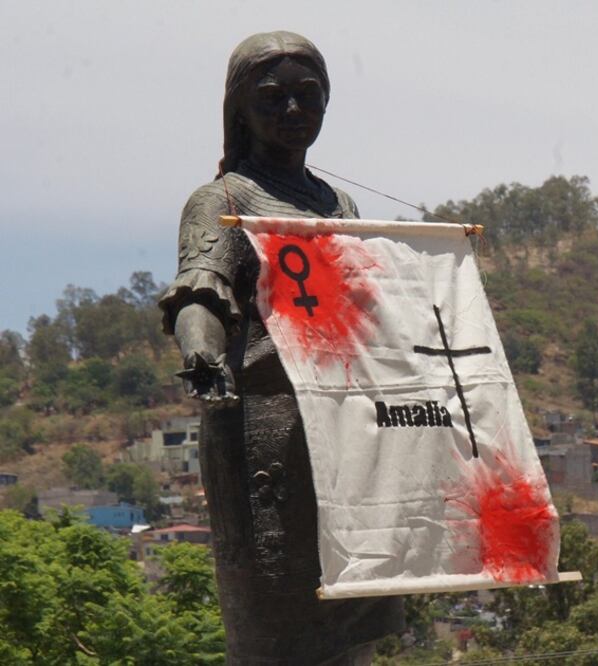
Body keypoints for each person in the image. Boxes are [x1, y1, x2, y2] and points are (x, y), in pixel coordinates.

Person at [159, 32, 403, 664]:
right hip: (267, 430)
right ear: (240, 107)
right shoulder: (223, 201)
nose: (293, 110)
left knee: (353, 623)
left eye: (308, 95)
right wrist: (202, 352)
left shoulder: (338, 204)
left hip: (347, 431)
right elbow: (199, 292)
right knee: (278, 622)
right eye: (273, 98)